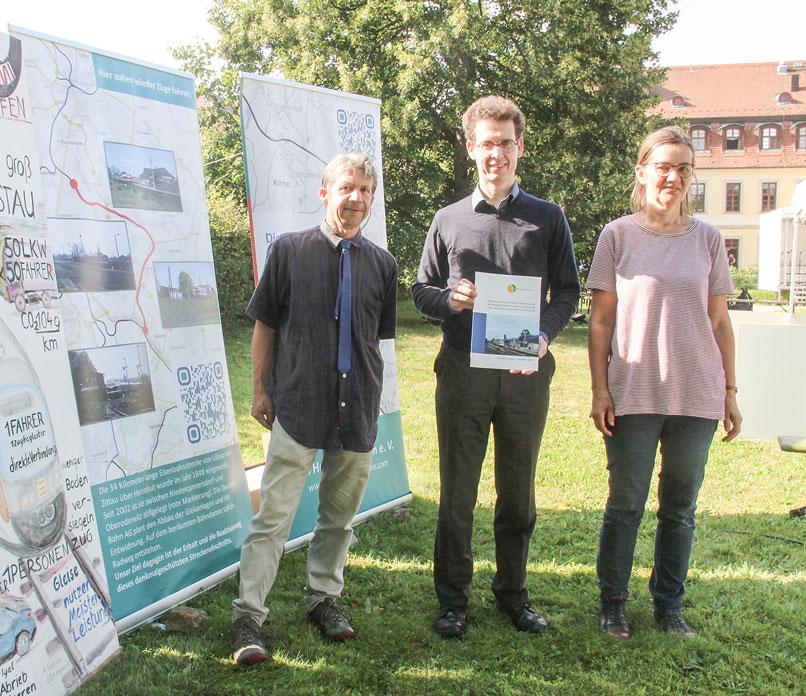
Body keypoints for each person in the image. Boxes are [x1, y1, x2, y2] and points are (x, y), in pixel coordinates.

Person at [412, 95, 579, 638]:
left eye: (506, 143)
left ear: (519, 147)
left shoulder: (547, 218)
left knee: (518, 492)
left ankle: (512, 594)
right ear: (471, 149)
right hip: (462, 370)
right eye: (486, 143)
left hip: (525, 375)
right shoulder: (448, 219)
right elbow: (420, 290)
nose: (496, 154)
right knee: (457, 491)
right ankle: (453, 600)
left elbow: (569, 291)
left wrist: (545, 336)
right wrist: (450, 300)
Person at [231, 153, 398, 666]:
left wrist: (372, 400)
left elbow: (376, 338)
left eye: (367, 190)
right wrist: (261, 391)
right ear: (325, 192)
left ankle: (324, 599)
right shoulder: (289, 251)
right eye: (348, 187)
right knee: (273, 518)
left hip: (357, 410)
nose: (358, 199)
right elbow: (265, 325)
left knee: (339, 519)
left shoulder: (383, 264)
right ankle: (248, 617)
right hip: (299, 405)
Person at [586, 125, 741, 640]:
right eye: (663, 166)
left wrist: (730, 391)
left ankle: (668, 605)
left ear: (691, 178)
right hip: (633, 390)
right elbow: (601, 321)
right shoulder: (617, 236)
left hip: (697, 394)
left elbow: (719, 321)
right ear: (642, 172)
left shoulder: (708, 239)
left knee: (680, 508)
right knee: (625, 503)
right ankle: (613, 604)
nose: (672, 177)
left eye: (682, 168)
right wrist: (599, 389)